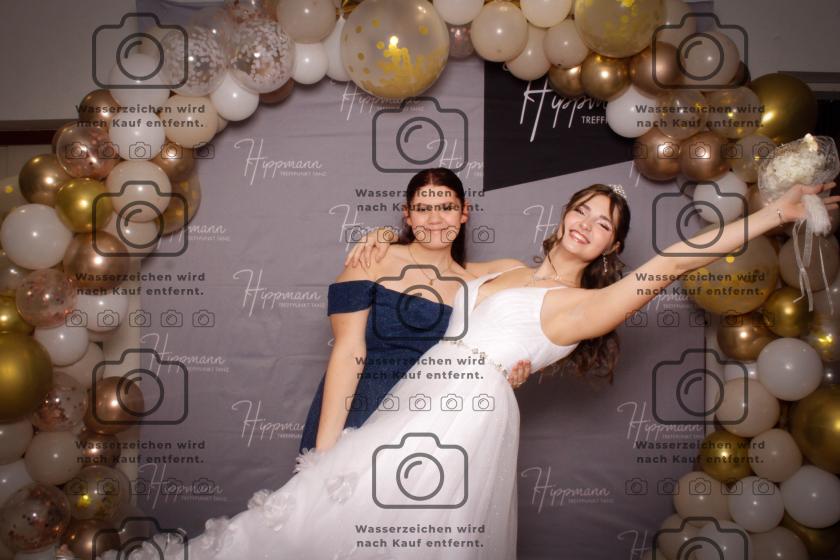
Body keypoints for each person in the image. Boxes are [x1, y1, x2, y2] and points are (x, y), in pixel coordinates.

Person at [102, 181, 838, 560]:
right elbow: (433, 267)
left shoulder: (588, 306)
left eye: (604, 224)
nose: (587, 224)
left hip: (463, 422)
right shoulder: (505, 270)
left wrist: (774, 214)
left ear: (612, 247)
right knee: (326, 512)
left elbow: (676, 260)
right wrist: (376, 243)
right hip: (416, 398)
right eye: (582, 210)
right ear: (563, 215)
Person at [300, 168, 534, 453]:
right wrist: (324, 451)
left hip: (430, 426)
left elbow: (540, 282)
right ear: (407, 215)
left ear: (464, 212)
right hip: (359, 410)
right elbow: (349, 351)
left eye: (446, 207)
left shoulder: (475, 285)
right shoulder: (373, 258)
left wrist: (505, 370)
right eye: (423, 209)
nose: (435, 219)